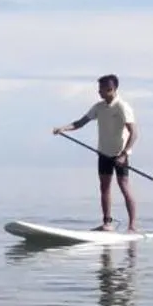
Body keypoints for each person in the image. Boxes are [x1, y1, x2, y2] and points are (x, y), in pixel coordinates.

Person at [53, 74, 138, 231]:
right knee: (104, 187)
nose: (99, 92)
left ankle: (132, 226)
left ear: (111, 89)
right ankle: (107, 223)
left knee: (124, 186)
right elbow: (80, 122)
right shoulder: (98, 107)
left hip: (120, 154)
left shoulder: (123, 107)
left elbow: (134, 133)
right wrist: (63, 128)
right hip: (103, 153)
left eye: (101, 90)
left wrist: (124, 154)